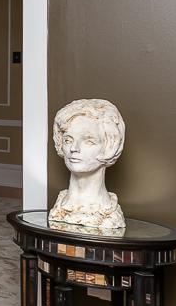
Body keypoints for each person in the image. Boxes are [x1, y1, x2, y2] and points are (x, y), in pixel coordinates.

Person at [49, 98, 126, 231]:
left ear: (110, 146)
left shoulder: (108, 215)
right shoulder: (60, 208)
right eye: (68, 140)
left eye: (89, 141)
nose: (74, 148)